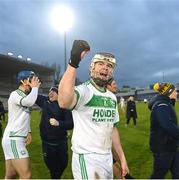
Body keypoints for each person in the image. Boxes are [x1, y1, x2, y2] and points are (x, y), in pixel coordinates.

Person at [58, 40, 129, 179]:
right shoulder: (84, 90)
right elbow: (63, 101)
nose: (105, 68)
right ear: (91, 68)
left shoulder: (111, 97)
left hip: (107, 157)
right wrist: (73, 63)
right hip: (87, 158)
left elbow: (112, 129)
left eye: (109, 66)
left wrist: (122, 158)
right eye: (100, 64)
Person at [1, 70, 41, 179]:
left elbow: (24, 116)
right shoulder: (15, 94)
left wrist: (29, 131)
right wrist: (36, 88)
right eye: (30, 80)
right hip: (14, 139)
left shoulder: (24, 95)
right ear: (23, 81)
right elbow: (29, 102)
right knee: (26, 175)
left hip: (13, 138)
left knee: (11, 175)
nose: (32, 84)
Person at [35, 85, 74, 179]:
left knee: (63, 164)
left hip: (61, 142)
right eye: (50, 91)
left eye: (54, 91)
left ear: (59, 95)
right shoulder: (45, 101)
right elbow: (33, 95)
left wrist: (58, 123)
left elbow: (71, 124)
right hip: (48, 143)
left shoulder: (64, 106)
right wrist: (33, 86)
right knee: (52, 167)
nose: (50, 93)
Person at [148, 82, 179, 179]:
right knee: (158, 175)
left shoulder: (166, 103)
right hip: (163, 148)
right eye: (174, 91)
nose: (177, 93)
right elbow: (167, 125)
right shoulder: (161, 105)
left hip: (172, 146)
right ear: (169, 92)